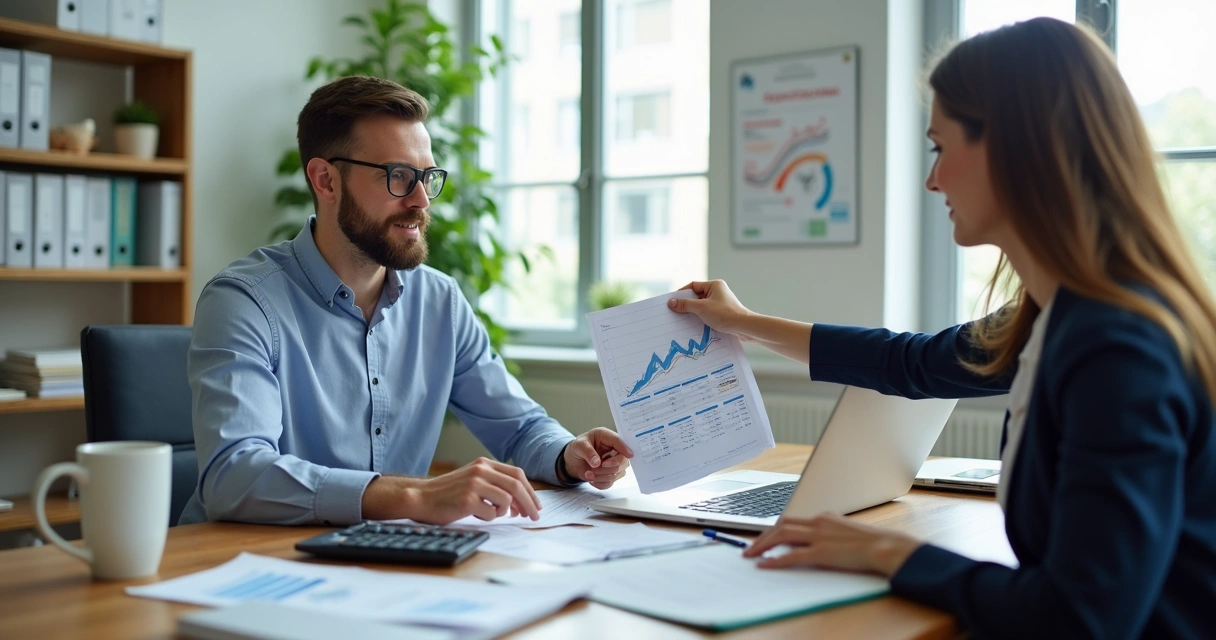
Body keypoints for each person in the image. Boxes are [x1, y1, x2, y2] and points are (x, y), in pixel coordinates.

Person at [668, 18, 1216, 639]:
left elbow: (1081, 620)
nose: (932, 180)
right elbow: (912, 363)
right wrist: (740, 324)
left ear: (1014, 147)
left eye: (938, 146)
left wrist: (889, 553)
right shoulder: (1059, 314)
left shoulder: (1118, 348)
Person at [179, 76, 632, 527]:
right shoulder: (243, 301)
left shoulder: (440, 302)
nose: (421, 200)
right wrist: (413, 493)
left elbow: (520, 426)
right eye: (398, 176)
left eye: (427, 177)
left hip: (386, 563)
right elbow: (233, 476)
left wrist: (569, 455)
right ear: (325, 180)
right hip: (243, 566)